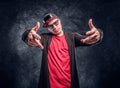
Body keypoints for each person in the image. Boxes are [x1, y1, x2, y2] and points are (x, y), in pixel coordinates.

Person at [22, 13, 103, 88]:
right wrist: (28, 35)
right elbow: (29, 38)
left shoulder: (72, 37)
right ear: (48, 28)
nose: (55, 27)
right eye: (50, 26)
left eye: (56, 23)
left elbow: (88, 39)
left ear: (59, 20)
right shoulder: (44, 38)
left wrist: (98, 34)